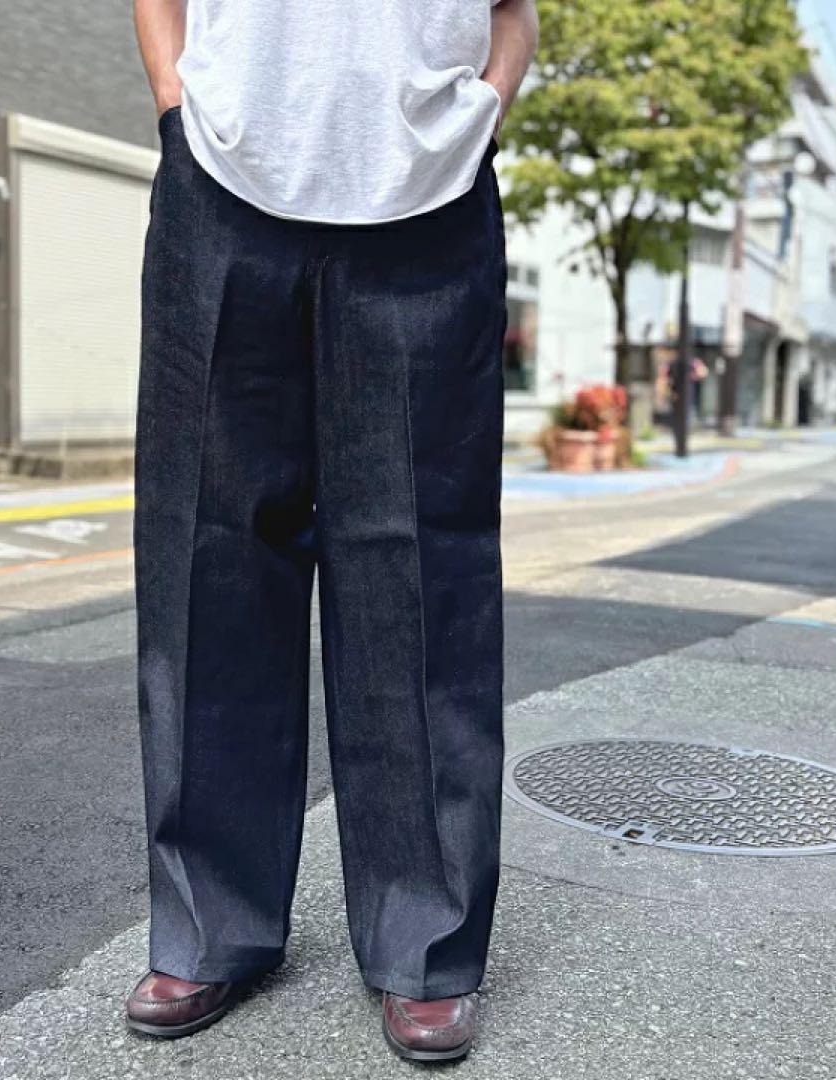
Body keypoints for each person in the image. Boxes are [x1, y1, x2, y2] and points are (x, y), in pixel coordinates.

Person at [127, 0, 538, 1062]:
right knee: (209, 557)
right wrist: (175, 102)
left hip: (430, 196)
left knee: (423, 570)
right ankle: (212, 925)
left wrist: (484, 112)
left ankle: (425, 941)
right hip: (223, 181)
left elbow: (513, 10)